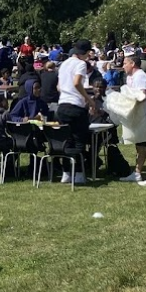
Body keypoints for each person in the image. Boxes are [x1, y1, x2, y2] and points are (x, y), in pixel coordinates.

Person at [56, 39, 96, 185]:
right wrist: (88, 99)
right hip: (75, 106)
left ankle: (66, 173)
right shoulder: (80, 64)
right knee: (79, 140)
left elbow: (59, 87)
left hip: (62, 105)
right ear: (85, 53)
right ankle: (78, 174)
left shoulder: (64, 64)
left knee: (67, 140)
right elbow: (77, 82)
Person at [120, 56, 146, 186]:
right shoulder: (130, 77)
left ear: (133, 64)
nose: (123, 66)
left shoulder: (140, 76)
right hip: (138, 116)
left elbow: (142, 96)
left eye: (125, 63)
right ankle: (137, 173)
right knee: (139, 147)